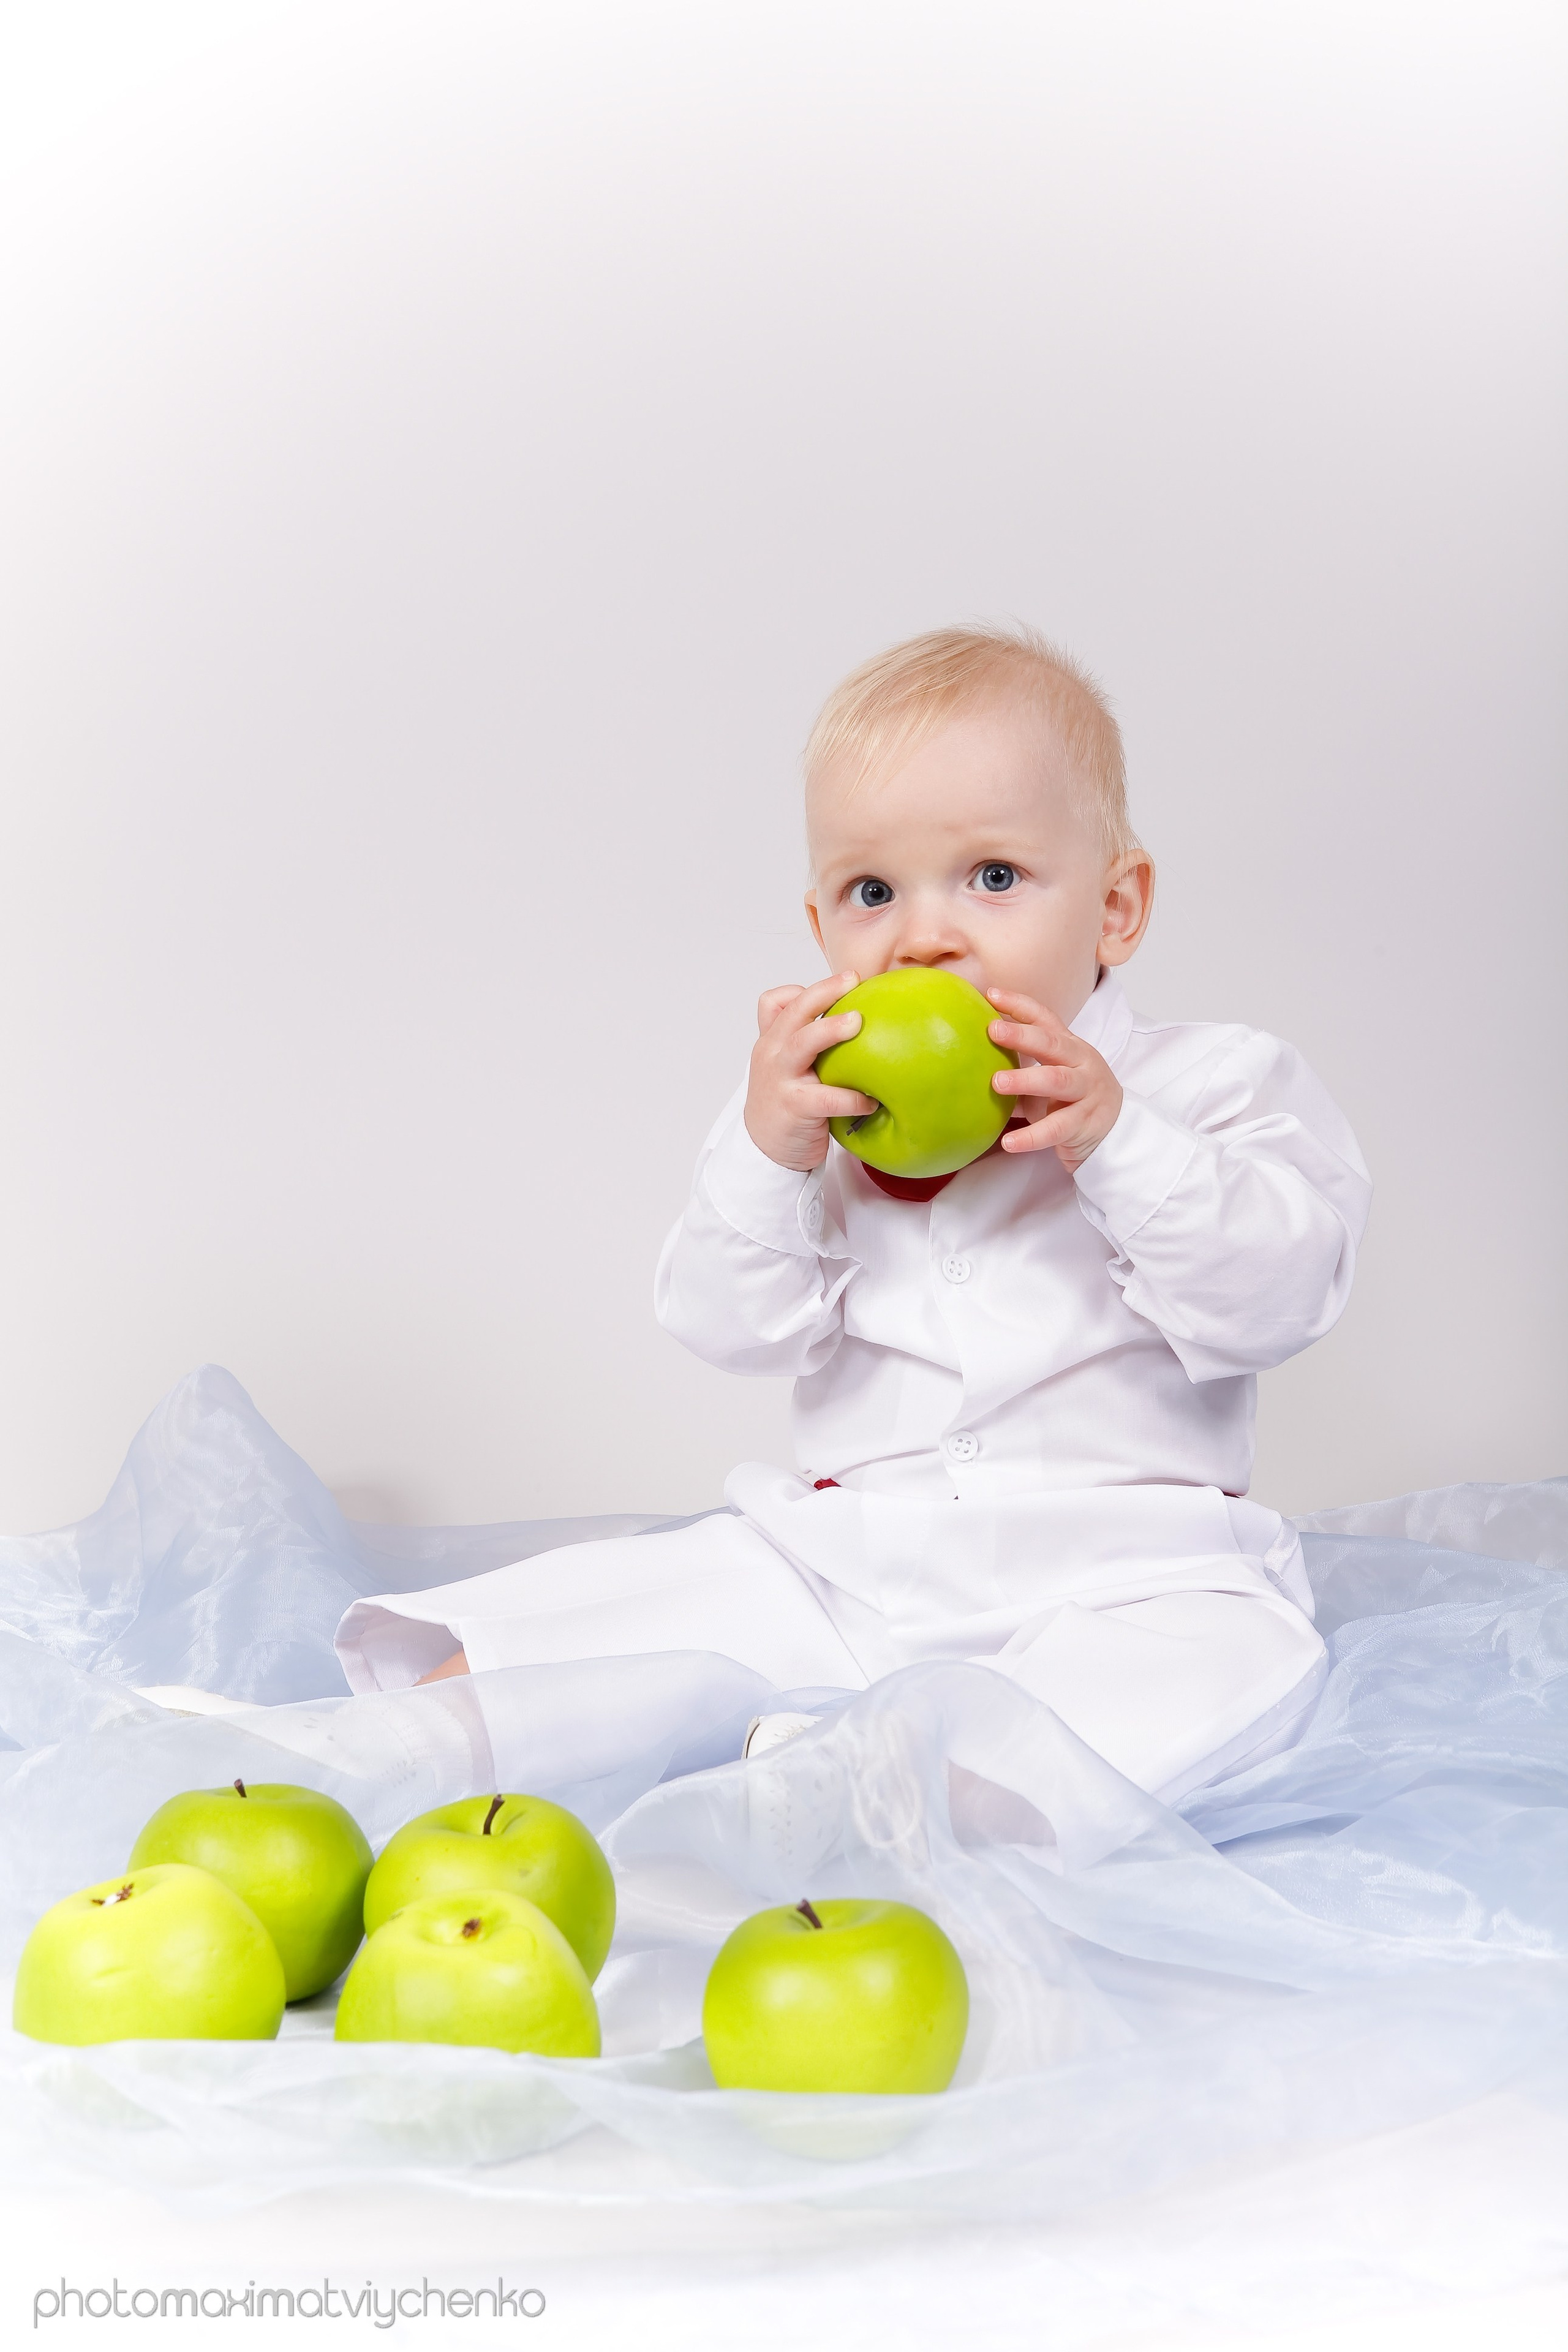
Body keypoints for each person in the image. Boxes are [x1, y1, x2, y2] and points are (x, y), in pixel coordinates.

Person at [334, 626, 1370, 1803]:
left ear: (1116, 907)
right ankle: (398, 1752)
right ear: (824, 931)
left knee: (1228, 1660)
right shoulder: (812, 1118)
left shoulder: (1212, 1089)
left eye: (993, 877)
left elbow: (1278, 1298)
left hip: (1128, 1569)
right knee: (637, 1599)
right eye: (872, 892)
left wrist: (1116, 1140)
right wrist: (768, 1153)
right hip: (849, 1561)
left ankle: (917, 1803)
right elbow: (734, 1330)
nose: (925, 936)